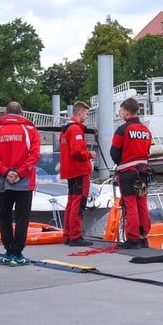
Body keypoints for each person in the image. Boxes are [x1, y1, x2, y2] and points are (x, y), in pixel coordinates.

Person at [0, 101, 41, 266]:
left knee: (5, 217)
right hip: (23, 181)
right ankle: (18, 253)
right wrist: (19, 173)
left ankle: (8, 252)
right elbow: (35, 154)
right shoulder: (30, 130)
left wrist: (5, 172)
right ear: (22, 113)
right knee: (22, 217)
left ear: (5, 113)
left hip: (2, 181)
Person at [110, 97, 152, 249]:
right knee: (142, 204)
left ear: (127, 112)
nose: (120, 113)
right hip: (143, 173)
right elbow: (148, 151)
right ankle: (144, 236)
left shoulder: (122, 129)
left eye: (121, 111)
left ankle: (132, 238)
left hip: (127, 172)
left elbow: (114, 152)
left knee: (130, 205)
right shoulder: (146, 130)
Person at [59, 101, 96, 246]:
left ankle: (68, 234)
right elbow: (77, 151)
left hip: (70, 170)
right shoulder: (74, 129)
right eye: (86, 113)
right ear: (79, 113)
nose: (86, 117)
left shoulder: (66, 128)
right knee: (78, 203)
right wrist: (90, 154)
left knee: (71, 201)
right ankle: (75, 235)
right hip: (78, 170)